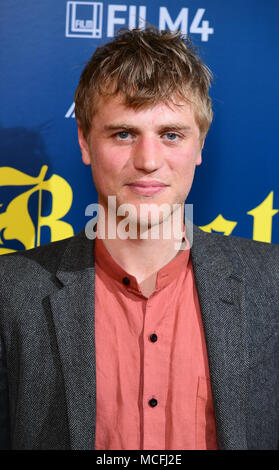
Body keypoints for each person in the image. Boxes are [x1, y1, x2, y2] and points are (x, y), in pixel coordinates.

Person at [0, 28, 279, 451]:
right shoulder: (11, 292)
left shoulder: (271, 284)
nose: (148, 161)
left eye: (171, 134)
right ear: (84, 142)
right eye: (124, 134)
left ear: (200, 144)